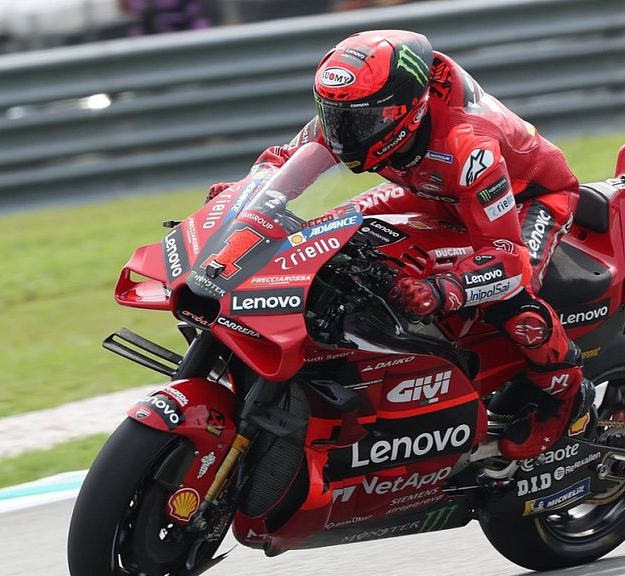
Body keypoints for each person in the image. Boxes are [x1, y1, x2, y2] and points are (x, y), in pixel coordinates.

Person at [207, 30, 593, 460]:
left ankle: (564, 390)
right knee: (332, 230)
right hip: (433, 191)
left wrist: (445, 290)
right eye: (333, 115)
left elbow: (507, 258)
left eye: (355, 121)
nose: (340, 132)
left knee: (511, 295)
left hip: (527, 199)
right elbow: (284, 162)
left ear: (404, 111)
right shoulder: (353, 112)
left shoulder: (469, 147)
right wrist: (243, 197)